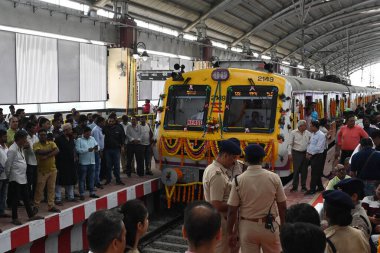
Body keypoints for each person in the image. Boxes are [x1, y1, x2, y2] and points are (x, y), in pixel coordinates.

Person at [227, 144, 287, 253]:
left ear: (245, 159)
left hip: (247, 228)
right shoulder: (274, 177)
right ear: (262, 159)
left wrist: (230, 233)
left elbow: (232, 211)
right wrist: (283, 225)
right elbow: (282, 206)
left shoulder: (238, 180)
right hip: (269, 227)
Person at [203, 140, 241, 253]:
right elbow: (217, 205)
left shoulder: (212, 168)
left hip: (217, 219)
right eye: (233, 158)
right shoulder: (217, 175)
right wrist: (236, 204)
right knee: (222, 249)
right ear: (225, 155)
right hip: (221, 221)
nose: (234, 162)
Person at [5, 130, 42, 225]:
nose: (26, 140)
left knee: (26, 197)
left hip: (22, 176)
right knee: (15, 198)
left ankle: (31, 215)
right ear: (19, 139)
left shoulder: (20, 147)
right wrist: (9, 177)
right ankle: (14, 218)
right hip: (15, 177)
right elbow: (8, 165)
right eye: (25, 139)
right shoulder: (12, 149)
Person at [33, 129, 60, 213]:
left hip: (52, 170)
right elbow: (39, 152)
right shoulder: (36, 144)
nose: (43, 136)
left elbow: (57, 150)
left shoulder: (51, 143)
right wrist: (51, 150)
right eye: (41, 135)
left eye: (44, 135)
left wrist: (47, 155)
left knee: (51, 188)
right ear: (38, 136)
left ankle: (51, 206)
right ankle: (36, 206)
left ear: (46, 136)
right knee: (39, 189)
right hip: (42, 171)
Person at [55, 123, 77, 203]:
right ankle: (58, 198)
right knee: (59, 181)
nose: (71, 131)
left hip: (70, 162)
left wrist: (74, 156)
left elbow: (73, 148)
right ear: (66, 130)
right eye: (70, 129)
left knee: (70, 179)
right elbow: (56, 151)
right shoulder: (58, 139)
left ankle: (70, 196)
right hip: (61, 163)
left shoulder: (71, 138)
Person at [75, 127, 99, 200]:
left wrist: (97, 148)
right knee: (82, 179)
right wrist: (87, 150)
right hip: (83, 163)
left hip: (92, 161)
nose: (89, 134)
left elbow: (98, 146)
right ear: (84, 133)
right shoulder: (79, 140)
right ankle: (82, 193)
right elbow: (78, 150)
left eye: (90, 133)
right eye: (87, 133)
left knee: (91, 178)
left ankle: (92, 192)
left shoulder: (92, 138)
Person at [288, 120, 311, 192]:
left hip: (305, 153)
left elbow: (311, 143)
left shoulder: (308, 133)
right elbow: (290, 144)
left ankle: (303, 186)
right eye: (304, 125)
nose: (306, 126)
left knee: (304, 170)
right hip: (296, 153)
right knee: (296, 170)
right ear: (300, 126)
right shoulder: (293, 133)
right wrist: (289, 153)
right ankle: (295, 186)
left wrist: (309, 152)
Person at [305, 120, 326, 195]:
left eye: (311, 126)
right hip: (313, 155)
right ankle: (320, 187)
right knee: (316, 172)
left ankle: (312, 189)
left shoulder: (321, 135)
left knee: (314, 173)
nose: (310, 127)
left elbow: (319, 147)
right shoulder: (313, 134)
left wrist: (311, 154)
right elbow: (310, 144)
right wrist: (308, 152)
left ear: (314, 127)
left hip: (318, 156)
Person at [103, 115, 125, 185]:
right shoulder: (104, 128)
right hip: (107, 150)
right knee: (108, 166)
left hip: (116, 149)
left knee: (117, 165)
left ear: (115, 121)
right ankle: (108, 179)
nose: (111, 122)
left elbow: (123, 137)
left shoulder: (119, 127)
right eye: (109, 121)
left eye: (112, 121)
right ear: (107, 121)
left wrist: (122, 146)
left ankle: (118, 180)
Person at [25, 122, 39, 200]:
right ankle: (28, 198)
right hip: (29, 162)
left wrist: (37, 149)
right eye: (33, 128)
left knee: (35, 182)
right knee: (29, 182)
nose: (35, 129)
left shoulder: (36, 137)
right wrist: (37, 149)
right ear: (29, 129)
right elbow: (31, 151)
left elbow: (38, 148)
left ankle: (33, 197)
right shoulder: (26, 138)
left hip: (36, 162)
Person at [91, 117, 105, 189]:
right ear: (100, 122)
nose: (104, 123)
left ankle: (97, 181)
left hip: (99, 150)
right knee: (97, 168)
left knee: (97, 167)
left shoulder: (99, 129)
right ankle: (96, 182)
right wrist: (100, 152)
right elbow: (96, 143)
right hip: (97, 151)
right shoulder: (96, 130)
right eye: (103, 122)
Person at [0, 129, 10, 218]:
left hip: (6, 175)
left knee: (4, 195)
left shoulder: (6, 147)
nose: (6, 137)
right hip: (0, 175)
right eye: (4, 136)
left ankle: (2, 211)